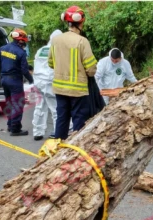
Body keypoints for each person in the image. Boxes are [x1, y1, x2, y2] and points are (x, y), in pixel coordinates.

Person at [48, 6, 98, 140]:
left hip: (59, 88)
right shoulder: (82, 41)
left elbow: (51, 63)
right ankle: (76, 147)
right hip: (78, 90)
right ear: (81, 22)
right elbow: (91, 69)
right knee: (79, 121)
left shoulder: (56, 40)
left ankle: (59, 146)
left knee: (62, 118)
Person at [0, 28, 34, 136]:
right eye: (24, 42)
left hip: (4, 80)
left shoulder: (2, 48)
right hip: (15, 81)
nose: (24, 44)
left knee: (9, 103)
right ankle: (15, 129)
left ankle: (10, 125)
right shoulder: (21, 52)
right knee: (17, 104)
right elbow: (24, 70)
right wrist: (31, 80)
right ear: (21, 40)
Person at [31, 29, 63, 141]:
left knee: (39, 107)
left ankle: (37, 132)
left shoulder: (41, 50)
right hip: (49, 83)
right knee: (56, 109)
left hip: (38, 82)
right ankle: (58, 133)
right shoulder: (58, 50)